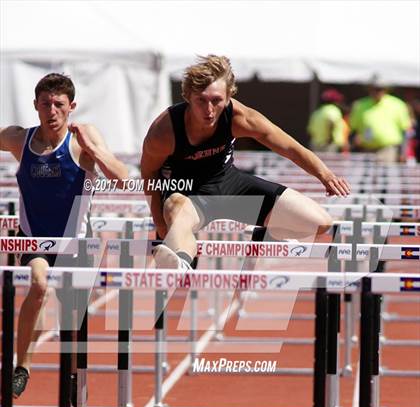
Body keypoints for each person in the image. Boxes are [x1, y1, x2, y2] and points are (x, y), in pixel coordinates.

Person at [140, 55, 350, 271]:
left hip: (231, 187)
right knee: (176, 209)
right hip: (187, 195)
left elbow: (289, 148)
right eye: (201, 100)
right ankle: (182, 263)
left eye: (216, 100)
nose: (209, 110)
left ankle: (267, 234)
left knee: (320, 223)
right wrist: (160, 222)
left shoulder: (240, 117)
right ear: (188, 97)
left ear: (229, 95)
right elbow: (148, 174)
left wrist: (324, 174)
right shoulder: (164, 132)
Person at [0, 73, 128, 404]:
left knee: (73, 318)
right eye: (46, 104)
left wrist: (93, 150)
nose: (52, 111)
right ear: (36, 106)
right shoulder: (19, 139)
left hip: (76, 240)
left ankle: (72, 372)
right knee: (40, 285)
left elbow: (121, 178)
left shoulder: (82, 138)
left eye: (59, 104)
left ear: (71, 107)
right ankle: (22, 365)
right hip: (35, 238)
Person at [349, 77, 412, 163]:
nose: (376, 92)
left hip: (389, 150)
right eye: (374, 89)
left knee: (387, 175)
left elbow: (405, 131)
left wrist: (403, 153)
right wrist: (354, 142)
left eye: (379, 89)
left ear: (385, 90)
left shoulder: (397, 105)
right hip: (366, 150)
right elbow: (353, 130)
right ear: (369, 89)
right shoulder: (360, 105)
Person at [307, 88, 347, 152]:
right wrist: (329, 139)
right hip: (329, 145)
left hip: (316, 145)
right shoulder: (333, 110)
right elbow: (331, 122)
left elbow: (310, 131)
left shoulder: (317, 112)